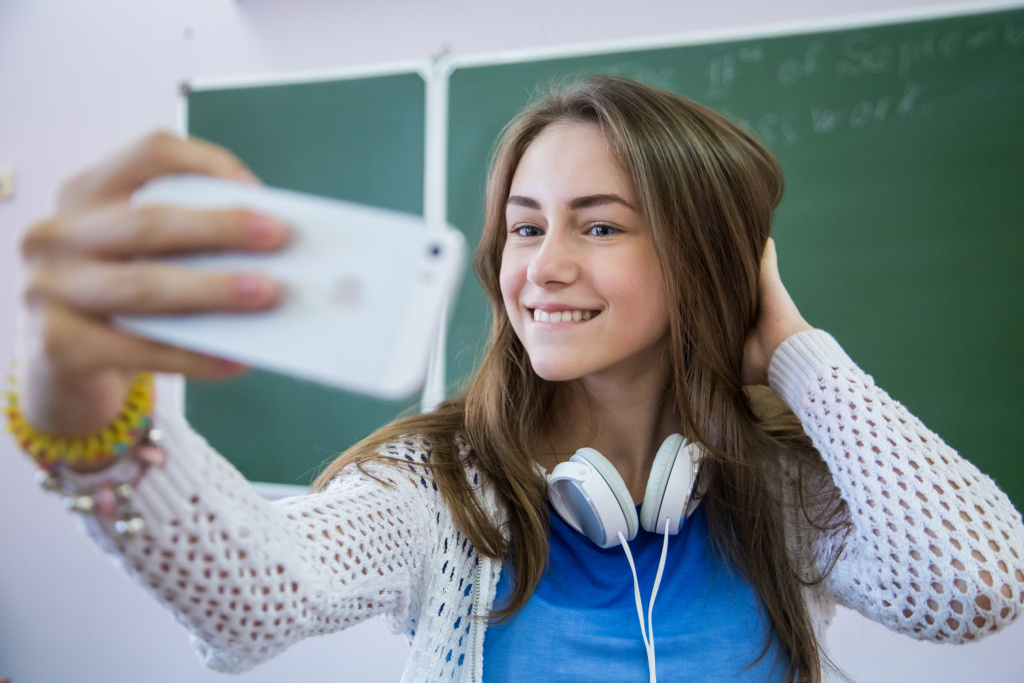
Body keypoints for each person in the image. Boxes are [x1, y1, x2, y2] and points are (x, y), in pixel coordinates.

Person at [8, 75, 1023, 682]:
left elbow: (976, 584)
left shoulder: (785, 492)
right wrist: (91, 420)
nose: (542, 266)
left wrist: (791, 343)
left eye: (600, 224)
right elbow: (253, 595)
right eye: (527, 226)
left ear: (708, 258)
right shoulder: (439, 488)